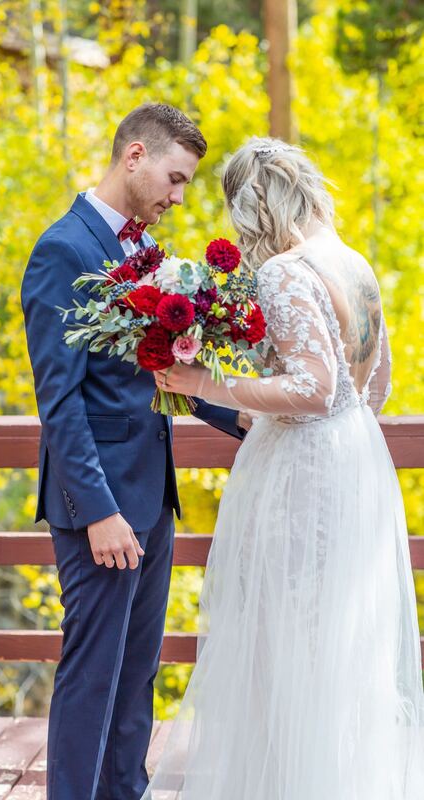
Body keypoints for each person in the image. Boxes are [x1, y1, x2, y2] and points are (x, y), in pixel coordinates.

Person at [148, 136, 424, 799]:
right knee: (337, 641)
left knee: (284, 640)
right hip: (355, 460)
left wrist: (206, 383)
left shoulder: (283, 271)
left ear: (251, 207)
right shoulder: (351, 262)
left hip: (303, 473)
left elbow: (312, 388)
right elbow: (371, 386)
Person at [20, 103, 245, 800]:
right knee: (92, 674)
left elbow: (162, 375)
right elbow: (60, 402)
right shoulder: (65, 249)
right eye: (174, 180)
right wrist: (97, 512)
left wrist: (259, 419)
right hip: (104, 510)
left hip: (153, 496)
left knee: (137, 671)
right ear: (134, 156)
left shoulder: (141, 252)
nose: (178, 198)